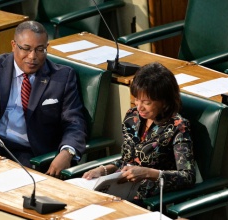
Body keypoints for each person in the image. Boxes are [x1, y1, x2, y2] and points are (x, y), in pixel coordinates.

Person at [0, 21, 87, 177]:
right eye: (26, 49)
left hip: (27, 149)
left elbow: (74, 122)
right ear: (13, 45)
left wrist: (67, 152)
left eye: (40, 50)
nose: (32, 57)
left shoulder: (62, 77)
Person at [82, 62, 196, 206]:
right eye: (136, 99)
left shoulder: (178, 127)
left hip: (150, 200)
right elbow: (126, 161)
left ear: (164, 101)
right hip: (120, 192)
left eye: (146, 102)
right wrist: (104, 170)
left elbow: (187, 177)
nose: (139, 107)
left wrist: (149, 173)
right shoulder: (132, 117)